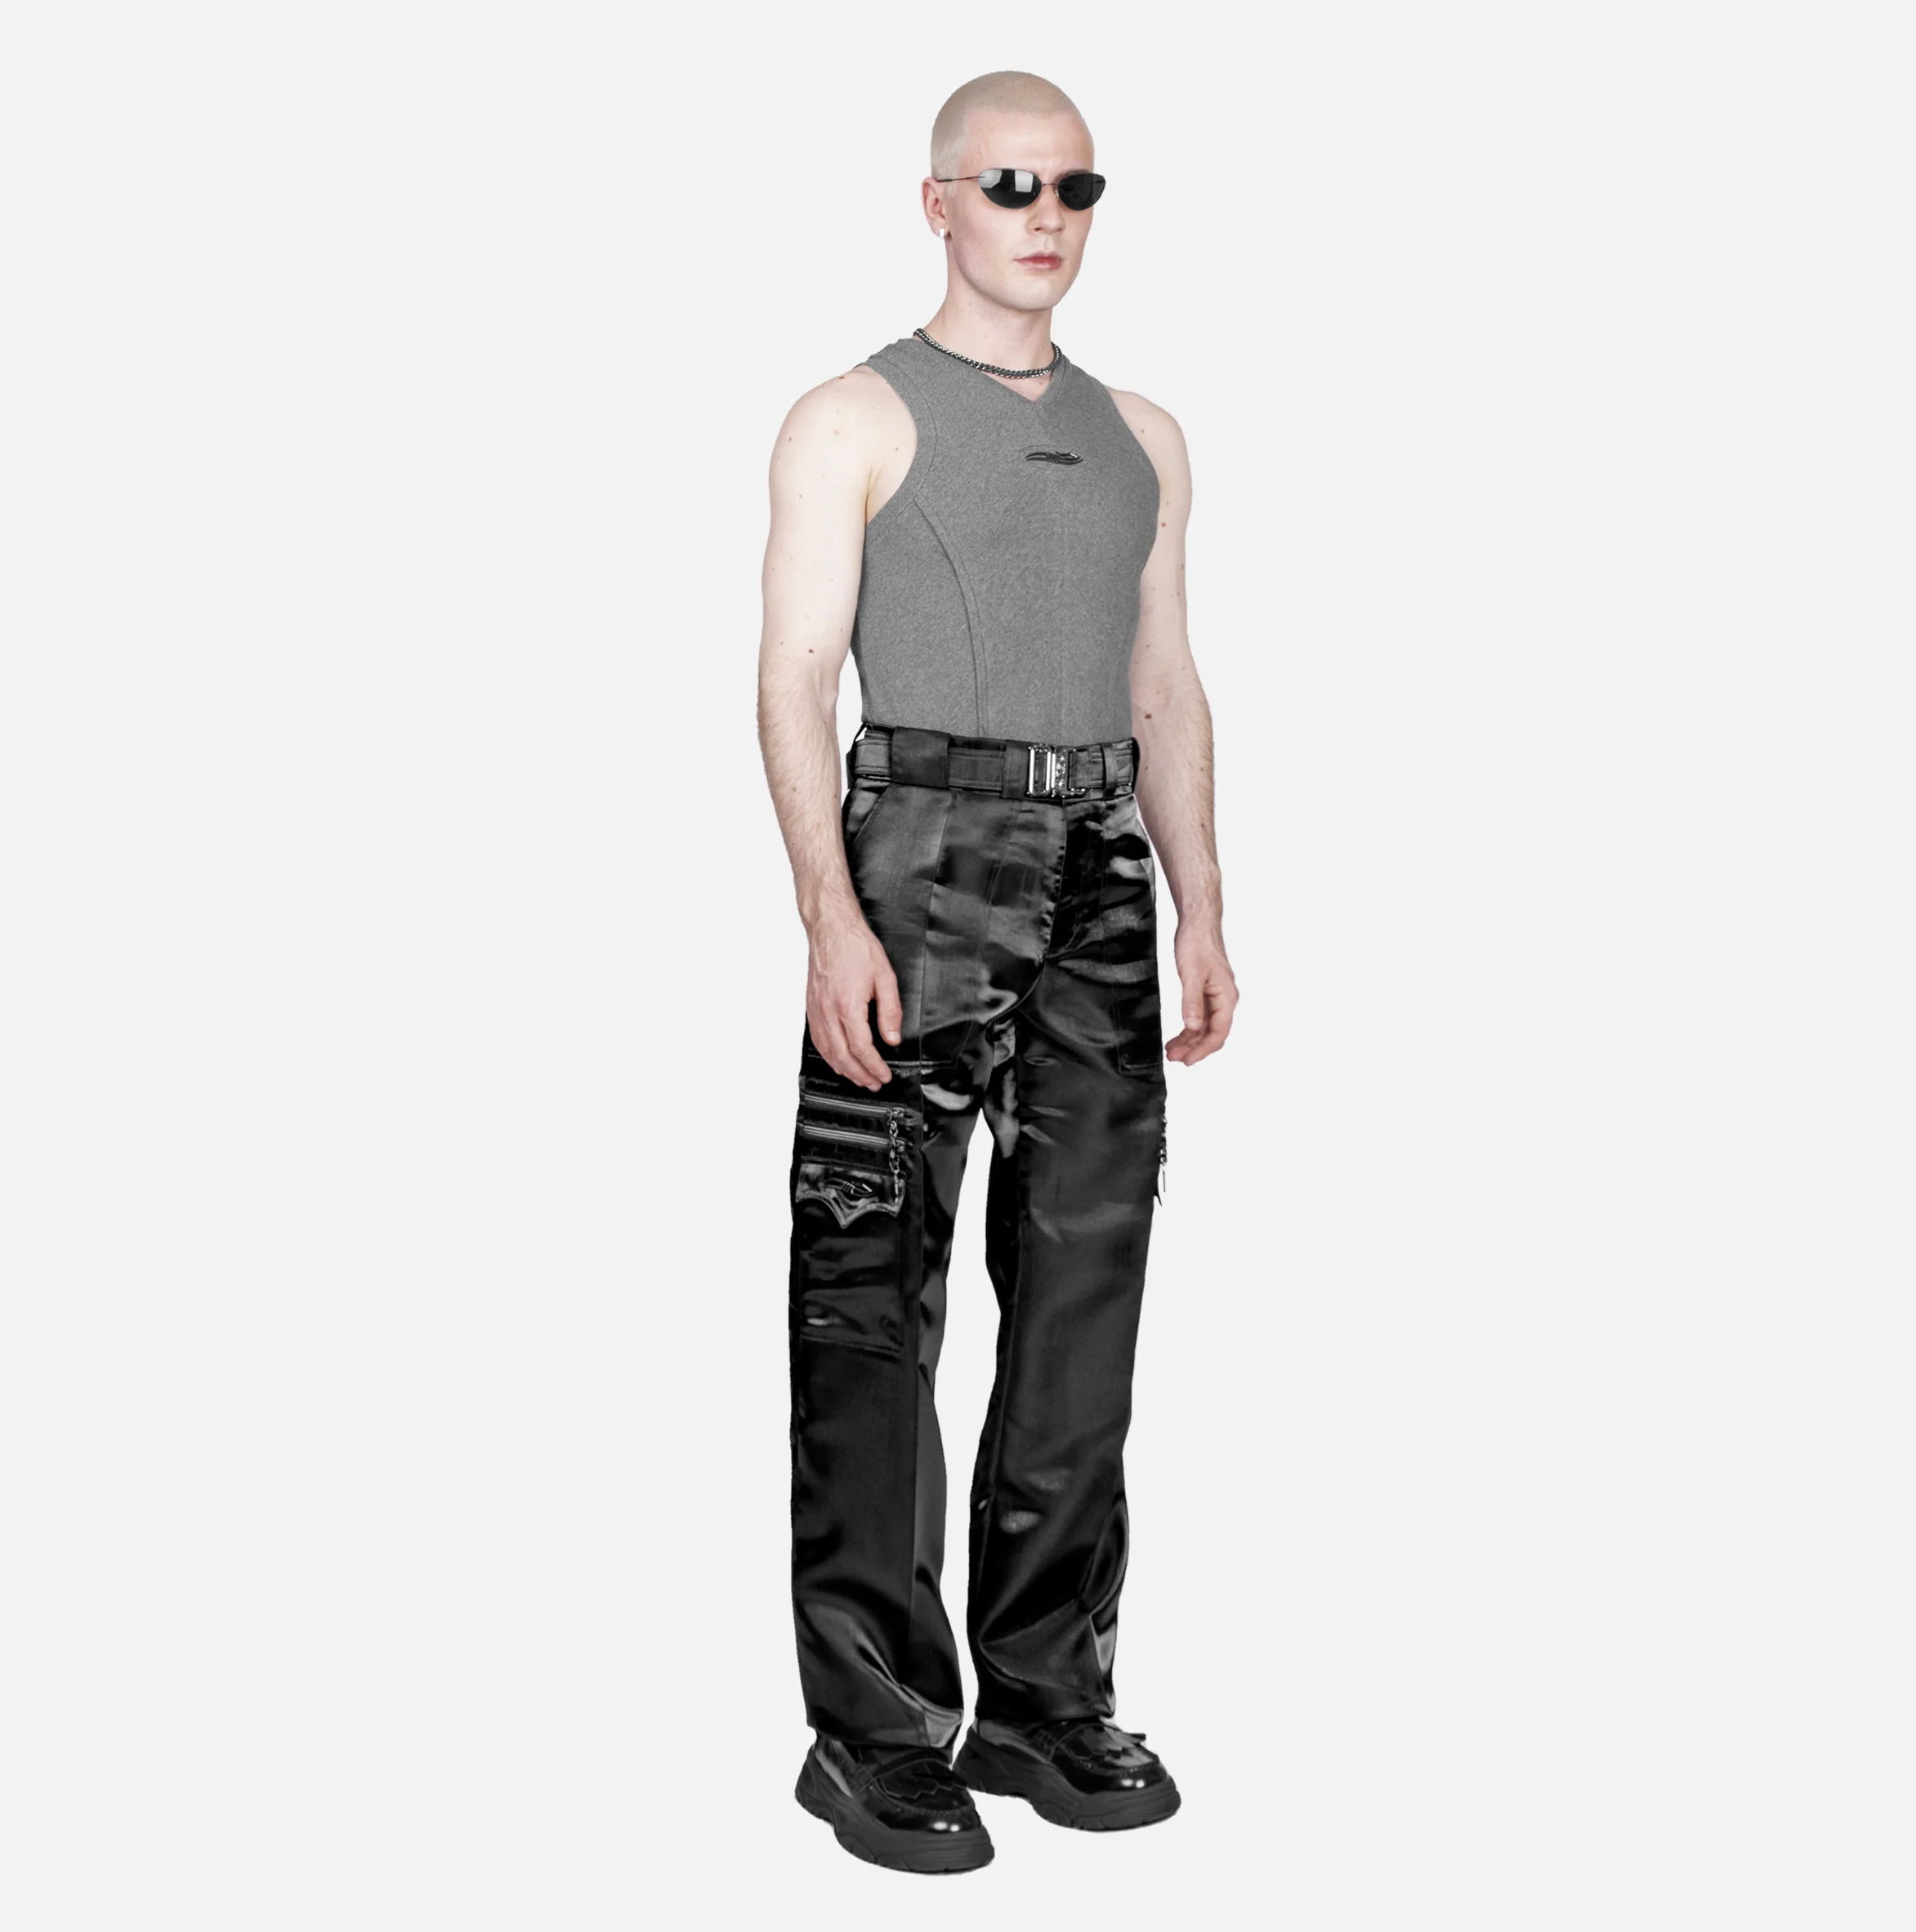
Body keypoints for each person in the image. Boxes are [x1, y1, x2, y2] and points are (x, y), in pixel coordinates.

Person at [753, 69, 1239, 1876]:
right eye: (1011, 184)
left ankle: (1041, 1697)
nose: (1046, 217)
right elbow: (792, 676)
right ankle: (873, 1731)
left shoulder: (1145, 437)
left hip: (1101, 861)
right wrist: (830, 917)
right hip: (921, 854)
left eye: (1075, 188)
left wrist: (1199, 903)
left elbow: (1163, 680)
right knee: (869, 1292)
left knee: (1083, 1295)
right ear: (939, 202)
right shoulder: (850, 417)